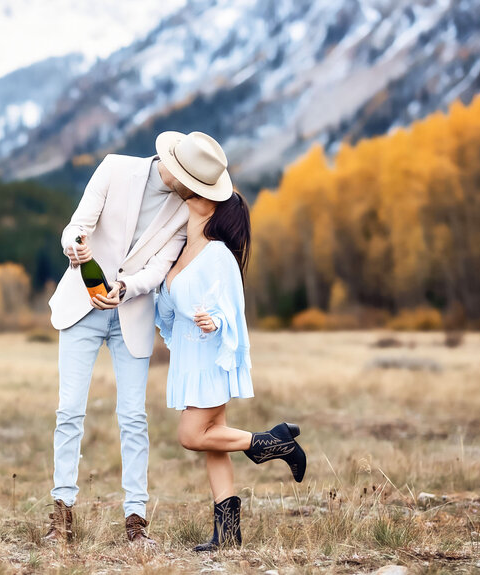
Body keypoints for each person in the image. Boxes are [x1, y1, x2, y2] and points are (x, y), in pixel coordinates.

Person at [46, 132, 230, 545]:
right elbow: (78, 225)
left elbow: (161, 266)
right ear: (180, 170)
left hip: (132, 314)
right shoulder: (114, 167)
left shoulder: (184, 212)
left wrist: (127, 287)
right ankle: (61, 519)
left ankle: (135, 522)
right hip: (82, 307)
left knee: (133, 417)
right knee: (69, 410)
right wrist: (73, 246)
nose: (196, 194)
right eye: (195, 185)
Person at [154, 131, 307, 552]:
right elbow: (167, 309)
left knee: (191, 435)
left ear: (208, 202)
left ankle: (273, 442)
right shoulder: (181, 247)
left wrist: (214, 320)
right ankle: (229, 535)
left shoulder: (218, 255)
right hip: (190, 359)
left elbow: (232, 310)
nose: (184, 192)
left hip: (210, 360)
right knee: (212, 441)